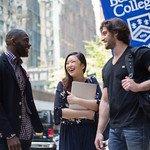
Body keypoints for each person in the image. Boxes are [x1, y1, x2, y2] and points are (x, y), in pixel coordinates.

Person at [95, 18, 150, 150]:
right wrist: (99, 131)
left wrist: (138, 87)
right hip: (114, 130)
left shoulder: (140, 54)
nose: (102, 38)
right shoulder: (107, 67)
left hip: (137, 125)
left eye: (104, 33)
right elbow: (105, 101)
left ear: (116, 33)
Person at [0, 29, 43, 150]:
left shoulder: (20, 68)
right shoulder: (1, 64)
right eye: (26, 41)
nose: (29, 44)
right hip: (9, 138)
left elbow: (25, 99)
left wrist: (37, 127)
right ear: (13, 41)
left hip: (25, 136)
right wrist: (9, 134)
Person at [54, 52, 102, 150]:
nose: (69, 65)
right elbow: (59, 112)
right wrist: (88, 113)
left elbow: (98, 105)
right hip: (69, 132)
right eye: (67, 63)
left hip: (89, 131)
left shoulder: (92, 81)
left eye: (73, 62)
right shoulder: (62, 84)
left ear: (83, 65)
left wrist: (77, 100)